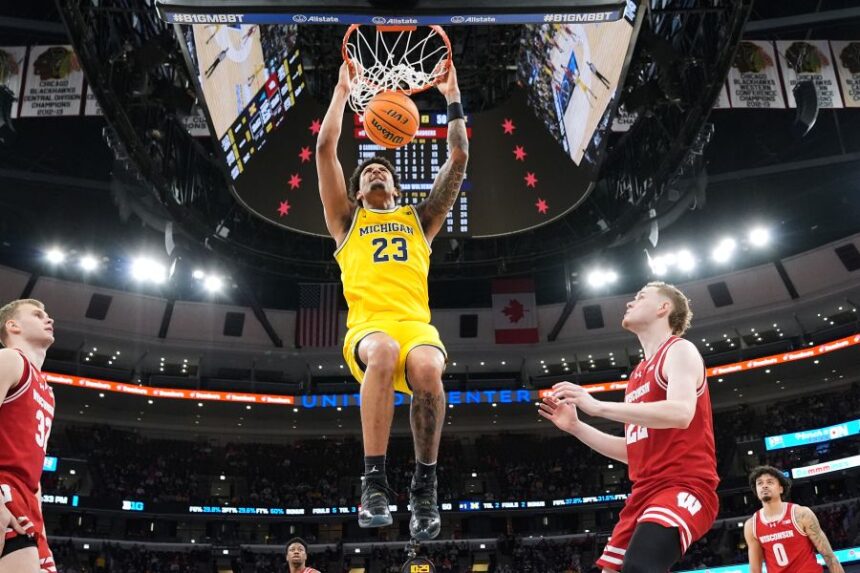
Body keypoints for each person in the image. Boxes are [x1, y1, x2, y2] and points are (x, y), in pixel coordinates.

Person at [315, 60, 468, 541]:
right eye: (368, 173)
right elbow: (324, 150)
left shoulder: (419, 220)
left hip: (415, 326)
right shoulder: (346, 222)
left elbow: (458, 158)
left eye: (383, 169)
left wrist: (452, 96)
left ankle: (425, 485)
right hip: (369, 327)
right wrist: (342, 91)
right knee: (384, 353)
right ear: (358, 192)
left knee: (427, 369)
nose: (376, 172)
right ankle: (374, 482)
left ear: (396, 188)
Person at [539, 282, 719, 572]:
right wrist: (576, 427)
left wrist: (597, 407)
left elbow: (681, 412)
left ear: (664, 308)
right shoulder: (636, 375)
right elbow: (634, 452)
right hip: (643, 492)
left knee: (639, 566)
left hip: (685, 485)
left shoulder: (679, 350)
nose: (629, 303)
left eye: (640, 297)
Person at [0, 299, 57, 573]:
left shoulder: (47, 390)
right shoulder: (10, 359)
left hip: (27, 499)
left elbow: (34, 474)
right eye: (37, 315)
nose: (49, 319)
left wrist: (42, 534)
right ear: (13, 326)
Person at [744, 466, 844, 573]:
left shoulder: (801, 514)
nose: (764, 486)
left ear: (781, 488)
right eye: (760, 483)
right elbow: (755, 570)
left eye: (770, 482)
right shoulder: (751, 525)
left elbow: (829, 557)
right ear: (756, 490)